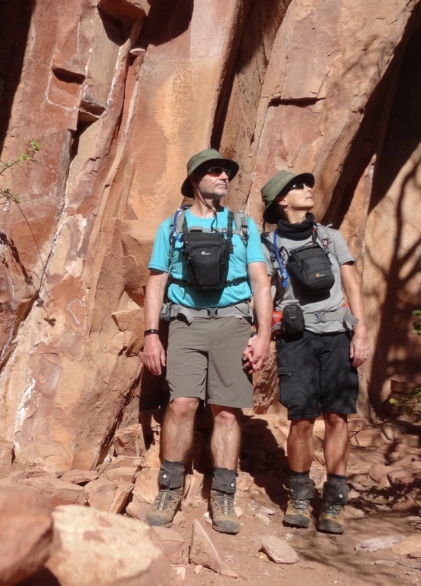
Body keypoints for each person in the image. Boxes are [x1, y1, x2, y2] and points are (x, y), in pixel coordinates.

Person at [141, 148, 273, 535]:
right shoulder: (173, 226)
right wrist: (151, 335)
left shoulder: (244, 226)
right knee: (181, 404)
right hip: (185, 323)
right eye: (214, 171)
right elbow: (156, 283)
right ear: (195, 179)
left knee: (227, 412)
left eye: (226, 173)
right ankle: (169, 488)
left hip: (233, 324)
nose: (223, 177)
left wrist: (263, 335)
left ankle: (223, 494)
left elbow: (261, 283)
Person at [257, 170, 370, 534]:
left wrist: (361, 330)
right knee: (301, 419)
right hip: (296, 338)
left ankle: (334, 500)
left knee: (338, 417)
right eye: (298, 187)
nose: (309, 190)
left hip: (337, 333)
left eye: (308, 186)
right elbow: (263, 293)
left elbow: (352, 283)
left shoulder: (330, 237)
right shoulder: (267, 245)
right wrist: (262, 332)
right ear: (281, 201)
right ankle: (300, 495)